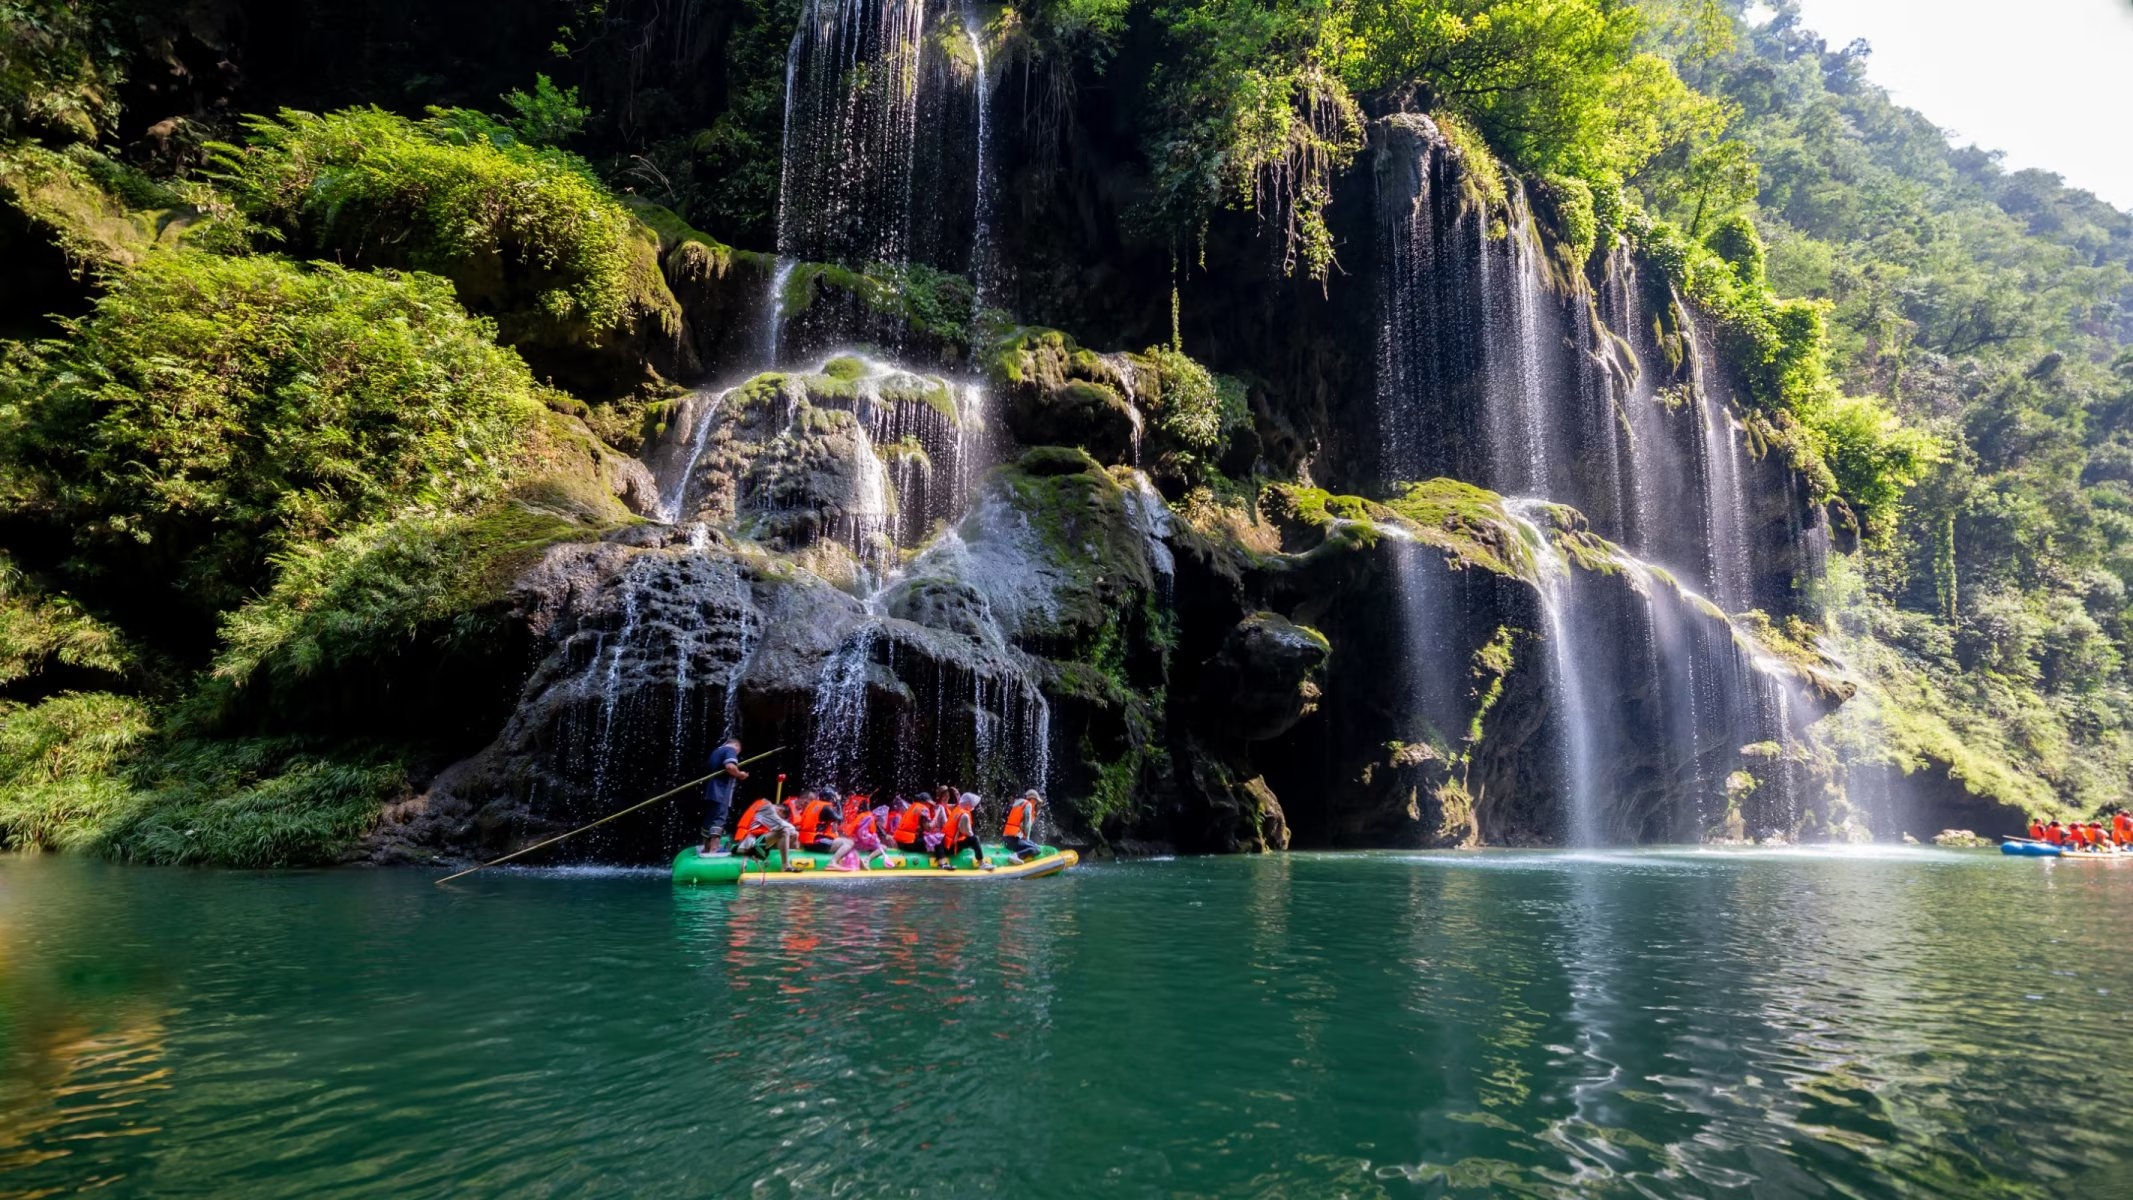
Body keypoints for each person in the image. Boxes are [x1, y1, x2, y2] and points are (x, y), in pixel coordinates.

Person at [699, 737, 747, 854]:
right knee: (719, 818)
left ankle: (706, 848)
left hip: (710, 791)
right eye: (738, 752)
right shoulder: (730, 750)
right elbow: (730, 766)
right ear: (737, 747)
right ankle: (714, 849)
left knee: (709, 819)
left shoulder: (715, 752)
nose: (736, 754)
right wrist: (740, 774)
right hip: (720, 791)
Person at [732, 794, 802, 872]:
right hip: (750, 845)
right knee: (785, 831)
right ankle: (785, 865)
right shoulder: (768, 809)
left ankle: (788, 859)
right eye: (781, 817)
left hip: (754, 842)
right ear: (780, 810)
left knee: (790, 834)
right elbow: (790, 828)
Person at [942, 792, 995, 872]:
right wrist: (975, 844)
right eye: (971, 804)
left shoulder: (958, 809)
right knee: (974, 839)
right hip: (952, 848)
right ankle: (981, 863)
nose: (972, 806)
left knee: (972, 839)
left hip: (946, 844)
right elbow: (969, 833)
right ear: (967, 804)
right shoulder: (964, 816)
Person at [1002, 789, 1044, 864]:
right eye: (1036, 801)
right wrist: (1027, 839)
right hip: (1013, 840)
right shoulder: (1028, 805)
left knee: (1034, 845)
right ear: (1033, 799)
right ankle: (1015, 855)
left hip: (1006, 839)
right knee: (1037, 850)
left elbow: (1020, 824)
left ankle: (1018, 853)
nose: (1037, 804)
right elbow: (1027, 824)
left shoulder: (1019, 804)